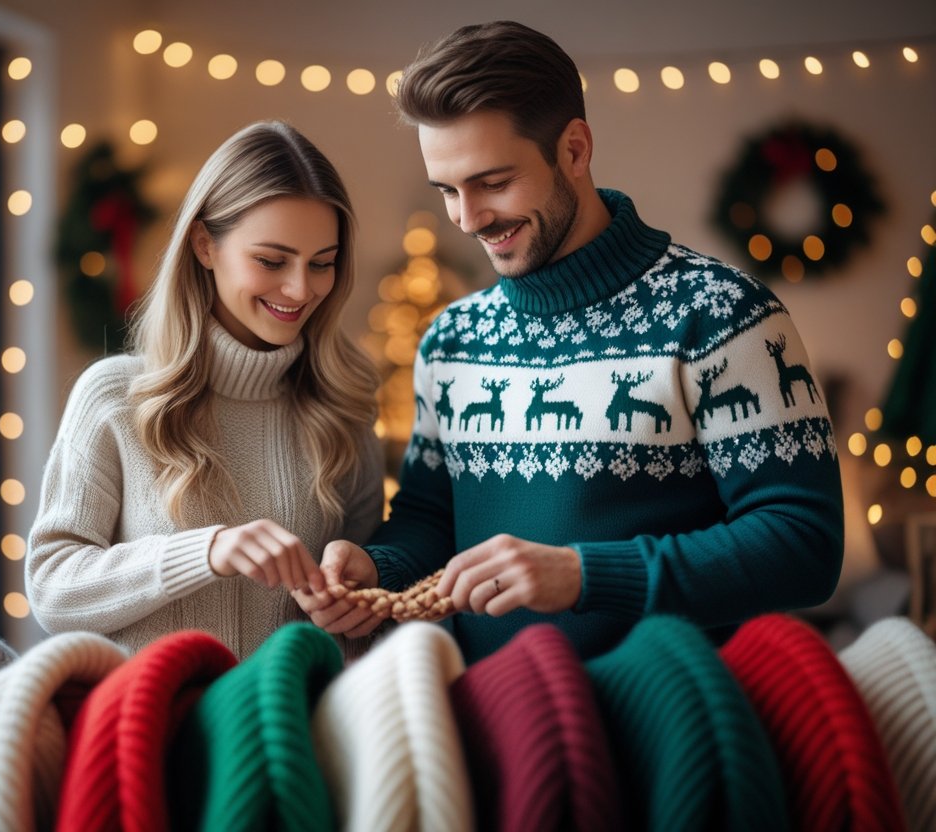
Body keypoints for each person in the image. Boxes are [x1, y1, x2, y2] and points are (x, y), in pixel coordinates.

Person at [294, 21, 843, 663]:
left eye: (493, 183)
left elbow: (804, 544)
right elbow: (431, 521)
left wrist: (583, 575)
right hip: (493, 727)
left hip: (665, 728)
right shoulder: (452, 339)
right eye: (448, 190)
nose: (468, 220)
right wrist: (377, 567)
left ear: (575, 150)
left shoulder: (721, 313)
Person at [27, 121, 385, 659]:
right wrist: (207, 551)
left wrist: (359, 602)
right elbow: (51, 585)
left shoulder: (343, 405)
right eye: (271, 260)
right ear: (204, 244)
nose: (300, 289)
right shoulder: (114, 396)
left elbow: (368, 605)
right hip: (155, 731)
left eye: (322, 264)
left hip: (291, 733)